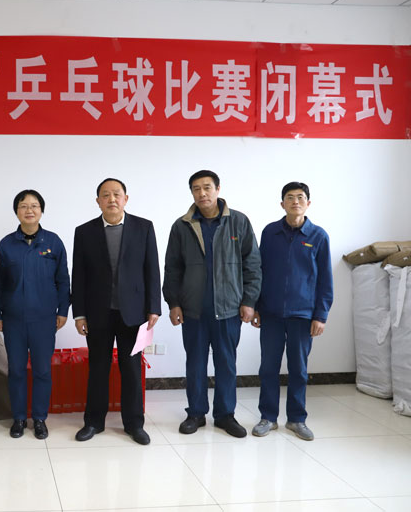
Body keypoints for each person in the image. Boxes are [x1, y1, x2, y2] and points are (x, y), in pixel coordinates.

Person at [163, 170, 261, 438]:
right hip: (193, 310)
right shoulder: (181, 226)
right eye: (196, 189)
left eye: (207, 187)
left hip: (228, 309)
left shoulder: (238, 222)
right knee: (195, 364)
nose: (202, 193)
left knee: (226, 364)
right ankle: (196, 413)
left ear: (218, 189)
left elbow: (252, 264)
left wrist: (249, 300)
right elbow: (172, 268)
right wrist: (173, 303)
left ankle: (225, 415)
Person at [72, 178, 161, 445]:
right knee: (98, 368)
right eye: (105, 195)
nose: (111, 199)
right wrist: (79, 313)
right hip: (98, 312)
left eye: (116, 194)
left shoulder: (143, 227)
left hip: (133, 313)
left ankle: (134, 424)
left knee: (131, 369)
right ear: (98, 201)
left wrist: (154, 307)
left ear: (125, 199)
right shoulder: (84, 232)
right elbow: (79, 275)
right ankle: (93, 422)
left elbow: (152, 269)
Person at [251, 182, 333, 441]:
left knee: (298, 370)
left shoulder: (318, 236)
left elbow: (325, 280)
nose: (295, 201)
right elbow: (259, 271)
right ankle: (268, 417)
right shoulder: (270, 232)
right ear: (282, 204)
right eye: (290, 197)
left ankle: (297, 419)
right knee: (268, 368)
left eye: (300, 197)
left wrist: (320, 315)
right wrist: (256, 306)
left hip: (303, 315)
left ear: (308, 203)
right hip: (271, 313)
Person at [0, 190, 70, 440]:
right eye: (23, 206)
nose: (29, 210)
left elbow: (63, 280)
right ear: (17, 211)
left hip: (44, 319)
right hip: (13, 319)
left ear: (41, 211)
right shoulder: (6, 244)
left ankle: (39, 418)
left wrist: (63, 310)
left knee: (42, 370)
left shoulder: (53, 242)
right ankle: (18, 418)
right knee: (16, 369)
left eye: (34, 206)